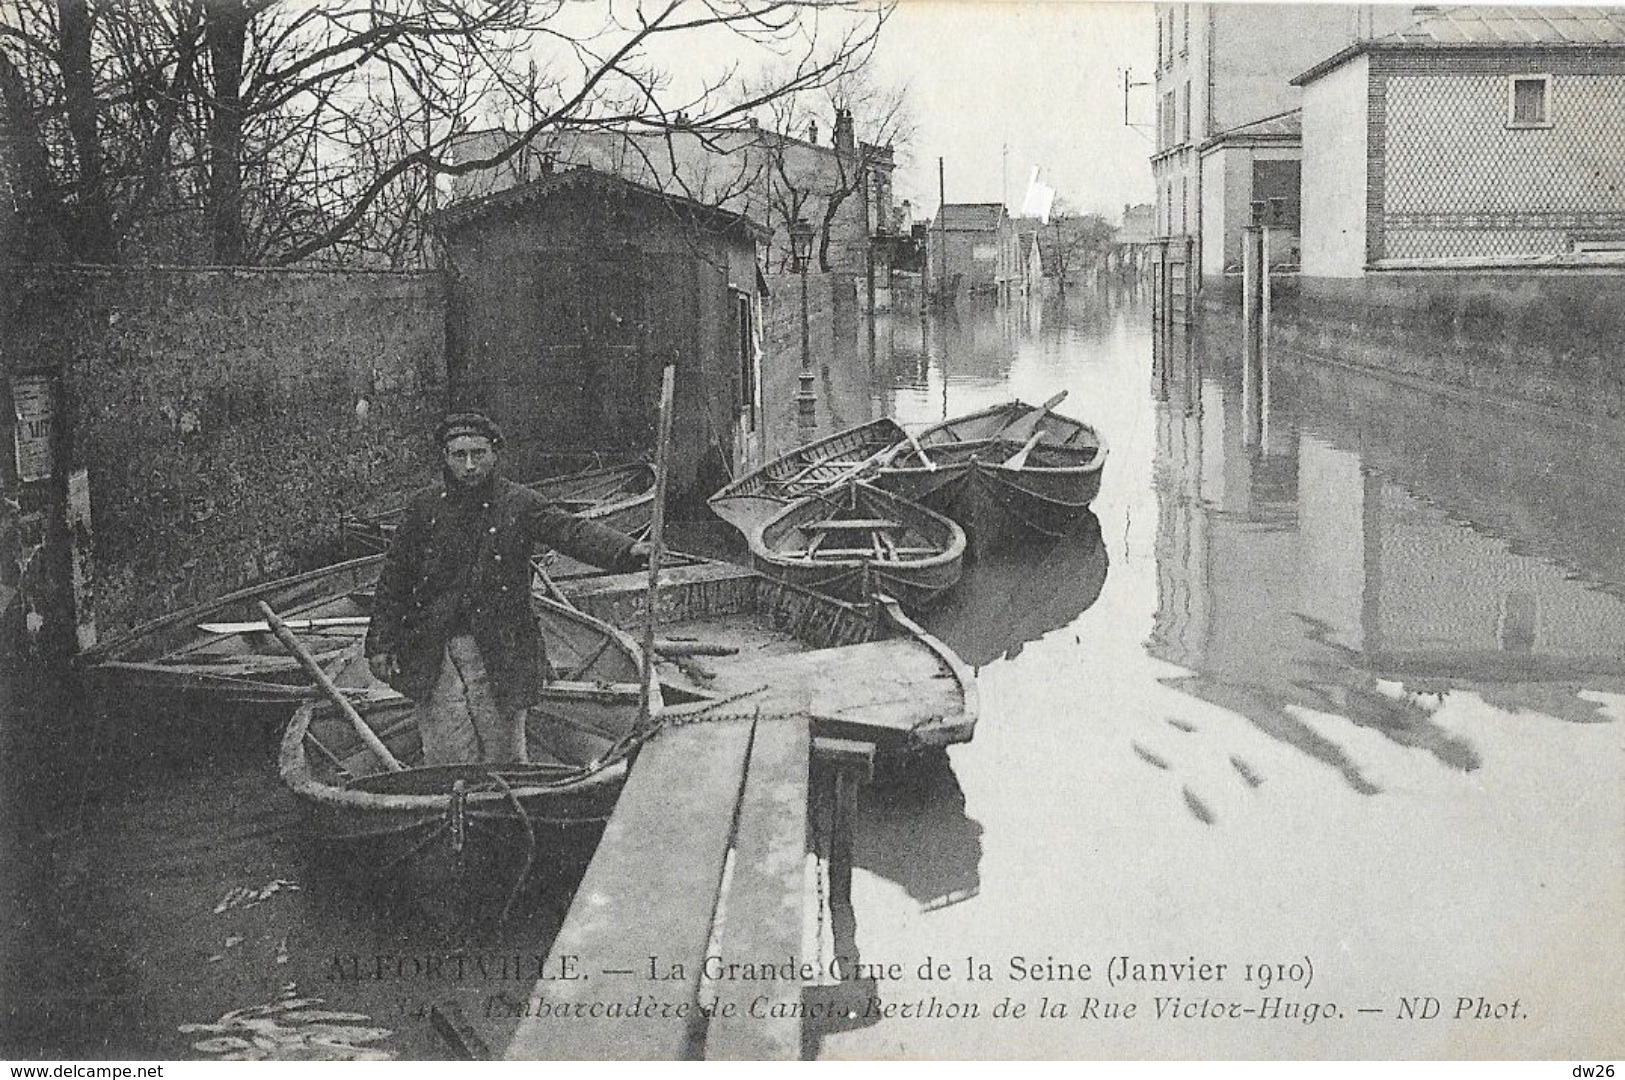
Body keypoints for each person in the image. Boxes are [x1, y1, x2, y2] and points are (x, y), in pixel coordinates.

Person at [364, 412, 651, 766]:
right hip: (433, 647)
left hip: (501, 645)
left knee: (504, 751)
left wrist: (626, 550)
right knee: (447, 751)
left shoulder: (520, 503)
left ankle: (505, 807)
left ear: (495, 454)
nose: (469, 465)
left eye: (478, 454)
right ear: (445, 456)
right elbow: (394, 578)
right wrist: (380, 643)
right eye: (459, 455)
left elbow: (570, 531)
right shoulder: (424, 508)